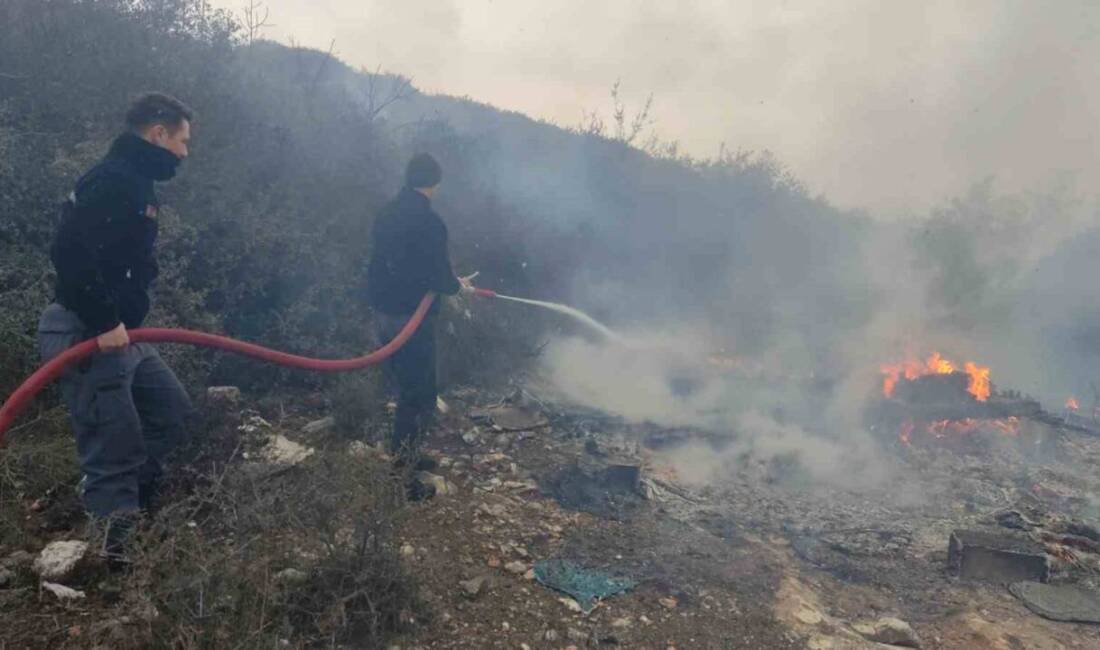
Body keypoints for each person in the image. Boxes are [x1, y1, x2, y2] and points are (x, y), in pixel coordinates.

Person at [37, 92, 195, 563]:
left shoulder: (139, 184)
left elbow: (129, 260)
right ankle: (119, 559)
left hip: (123, 335)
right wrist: (105, 322)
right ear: (158, 133)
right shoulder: (111, 181)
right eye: (182, 141)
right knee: (114, 447)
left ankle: (128, 509)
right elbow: (69, 253)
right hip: (86, 331)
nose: (185, 153)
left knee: (172, 412)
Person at [366, 153, 474, 500]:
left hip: (383, 314)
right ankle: (403, 478)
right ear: (435, 183)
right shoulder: (429, 222)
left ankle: (408, 454)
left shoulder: (387, 212)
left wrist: (448, 282)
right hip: (411, 318)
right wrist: (458, 287)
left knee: (406, 389)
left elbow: (398, 263)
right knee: (420, 394)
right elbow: (438, 274)